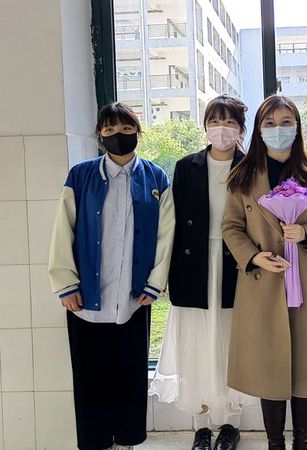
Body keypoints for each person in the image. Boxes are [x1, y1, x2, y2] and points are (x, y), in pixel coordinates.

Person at [221, 94, 307, 450]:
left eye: (286, 122)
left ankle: (301, 443)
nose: (279, 129)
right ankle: (275, 444)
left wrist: (306, 233)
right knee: (269, 366)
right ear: (259, 130)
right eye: (270, 123)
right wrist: (254, 257)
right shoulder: (243, 174)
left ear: (297, 127)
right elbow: (231, 226)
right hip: (263, 281)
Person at [48, 102, 175, 450]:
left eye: (126, 129)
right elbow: (63, 231)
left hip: (134, 298)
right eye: (110, 130)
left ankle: (128, 440)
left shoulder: (156, 178)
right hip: (86, 297)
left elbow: (166, 235)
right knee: (90, 378)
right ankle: (96, 442)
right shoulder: (80, 176)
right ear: (100, 135)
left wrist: (155, 283)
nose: (118, 135)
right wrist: (66, 284)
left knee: (131, 376)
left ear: (137, 132)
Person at [148, 95, 254, 450]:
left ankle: (231, 424)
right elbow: (174, 223)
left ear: (241, 128)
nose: (221, 129)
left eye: (230, 122)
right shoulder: (186, 166)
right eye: (214, 121)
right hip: (193, 265)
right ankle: (201, 426)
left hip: (236, 261)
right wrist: (166, 274)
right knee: (195, 344)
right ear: (205, 126)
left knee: (233, 344)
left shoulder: (252, 166)